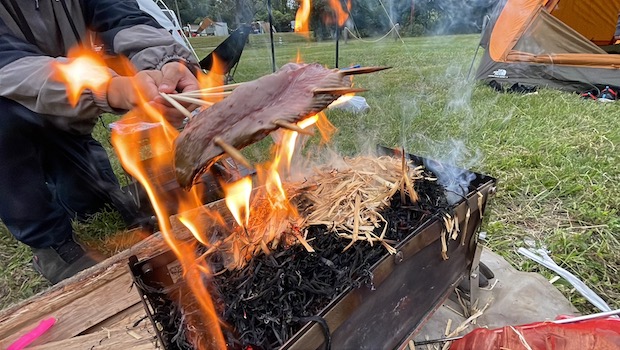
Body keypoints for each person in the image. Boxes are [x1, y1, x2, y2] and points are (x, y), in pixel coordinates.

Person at [0, 0, 200, 284]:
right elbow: (8, 63)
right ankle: (48, 245)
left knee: (89, 203)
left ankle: (72, 170)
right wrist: (108, 88)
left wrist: (166, 63)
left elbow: (122, 15)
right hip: (10, 117)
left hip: (65, 117)